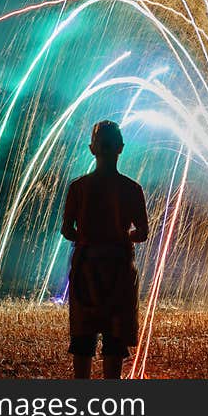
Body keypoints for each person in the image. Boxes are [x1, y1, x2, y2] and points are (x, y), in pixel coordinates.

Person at [61, 120, 149, 379]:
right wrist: (121, 236)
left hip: (85, 269)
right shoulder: (132, 189)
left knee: (82, 341)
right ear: (120, 148)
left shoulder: (78, 187)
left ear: (92, 149)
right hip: (119, 270)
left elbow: (67, 230)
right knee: (114, 340)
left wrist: (87, 237)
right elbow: (142, 233)